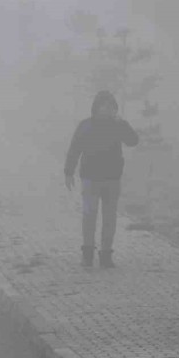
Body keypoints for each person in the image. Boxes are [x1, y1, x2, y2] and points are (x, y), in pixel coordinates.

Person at [64, 90, 139, 268]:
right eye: (103, 105)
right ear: (96, 107)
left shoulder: (118, 125)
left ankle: (106, 255)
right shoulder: (85, 125)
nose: (107, 109)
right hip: (90, 180)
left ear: (114, 108)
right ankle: (87, 255)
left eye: (110, 106)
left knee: (109, 218)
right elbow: (74, 148)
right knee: (89, 217)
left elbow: (133, 141)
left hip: (112, 179)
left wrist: (123, 124)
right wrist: (68, 172)